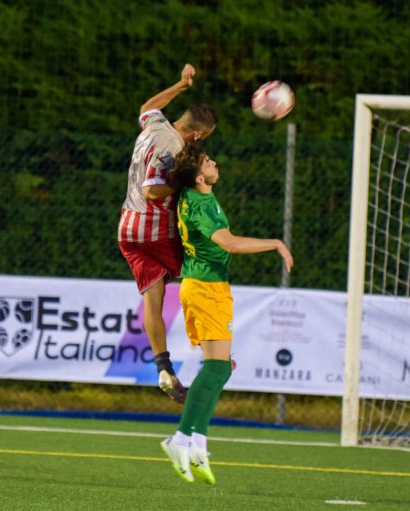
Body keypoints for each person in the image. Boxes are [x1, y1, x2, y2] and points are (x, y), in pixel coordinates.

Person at [160, 142, 294, 484]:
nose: (214, 163)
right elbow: (230, 243)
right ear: (198, 176)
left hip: (204, 287)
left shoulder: (192, 196)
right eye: (208, 161)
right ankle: (181, 440)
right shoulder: (201, 203)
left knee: (221, 369)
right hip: (206, 289)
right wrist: (276, 243)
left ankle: (198, 443)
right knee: (217, 368)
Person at [118, 64, 217, 403]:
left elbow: (147, 107)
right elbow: (151, 191)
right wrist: (181, 182)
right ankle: (215, 353)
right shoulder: (173, 148)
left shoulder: (156, 124)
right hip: (153, 228)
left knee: (153, 298)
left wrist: (180, 85)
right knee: (201, 272)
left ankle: (164, 368)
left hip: (127, 228)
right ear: (198, 135)